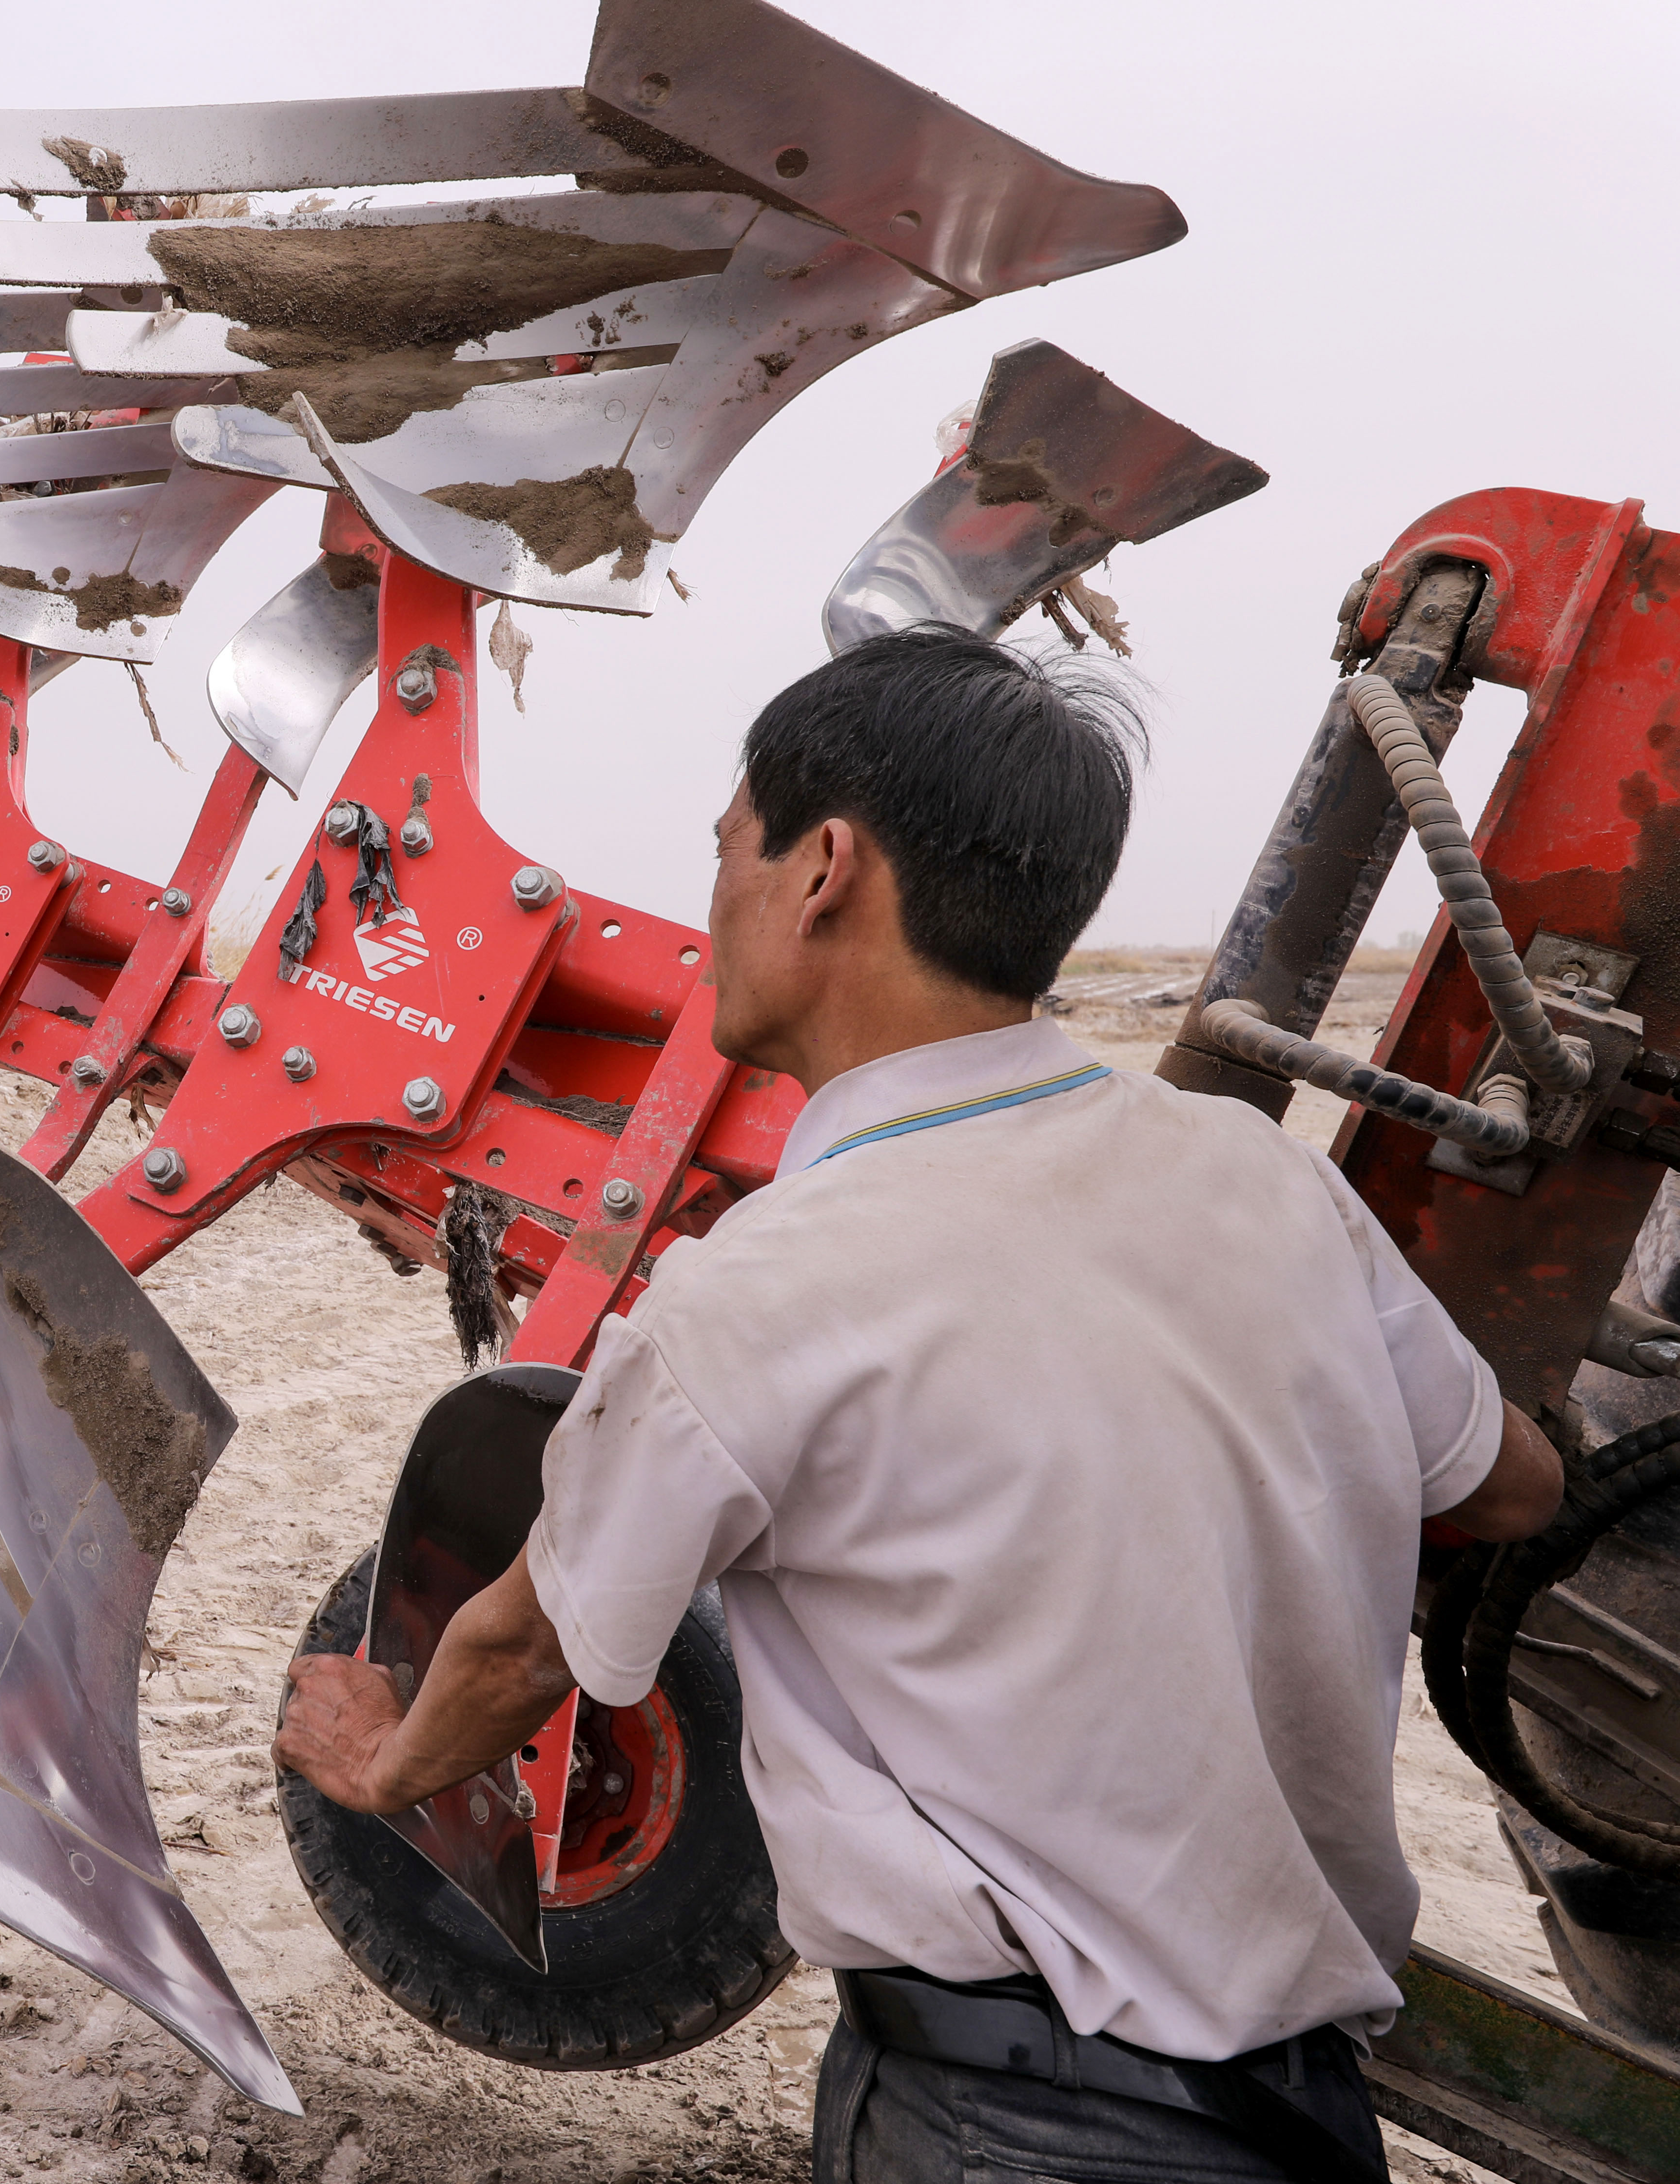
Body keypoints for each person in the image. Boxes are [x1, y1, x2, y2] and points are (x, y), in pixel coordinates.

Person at [274, 626, 1564, 2184]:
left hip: (1010, 2128)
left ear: (823, 870)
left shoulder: (766, 1286)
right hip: (1305, 2118)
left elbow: (525, 1643)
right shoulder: (1263, 1186)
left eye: (725, 852)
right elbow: (1512, 1488)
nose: (717, 900)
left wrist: (383, 1762)